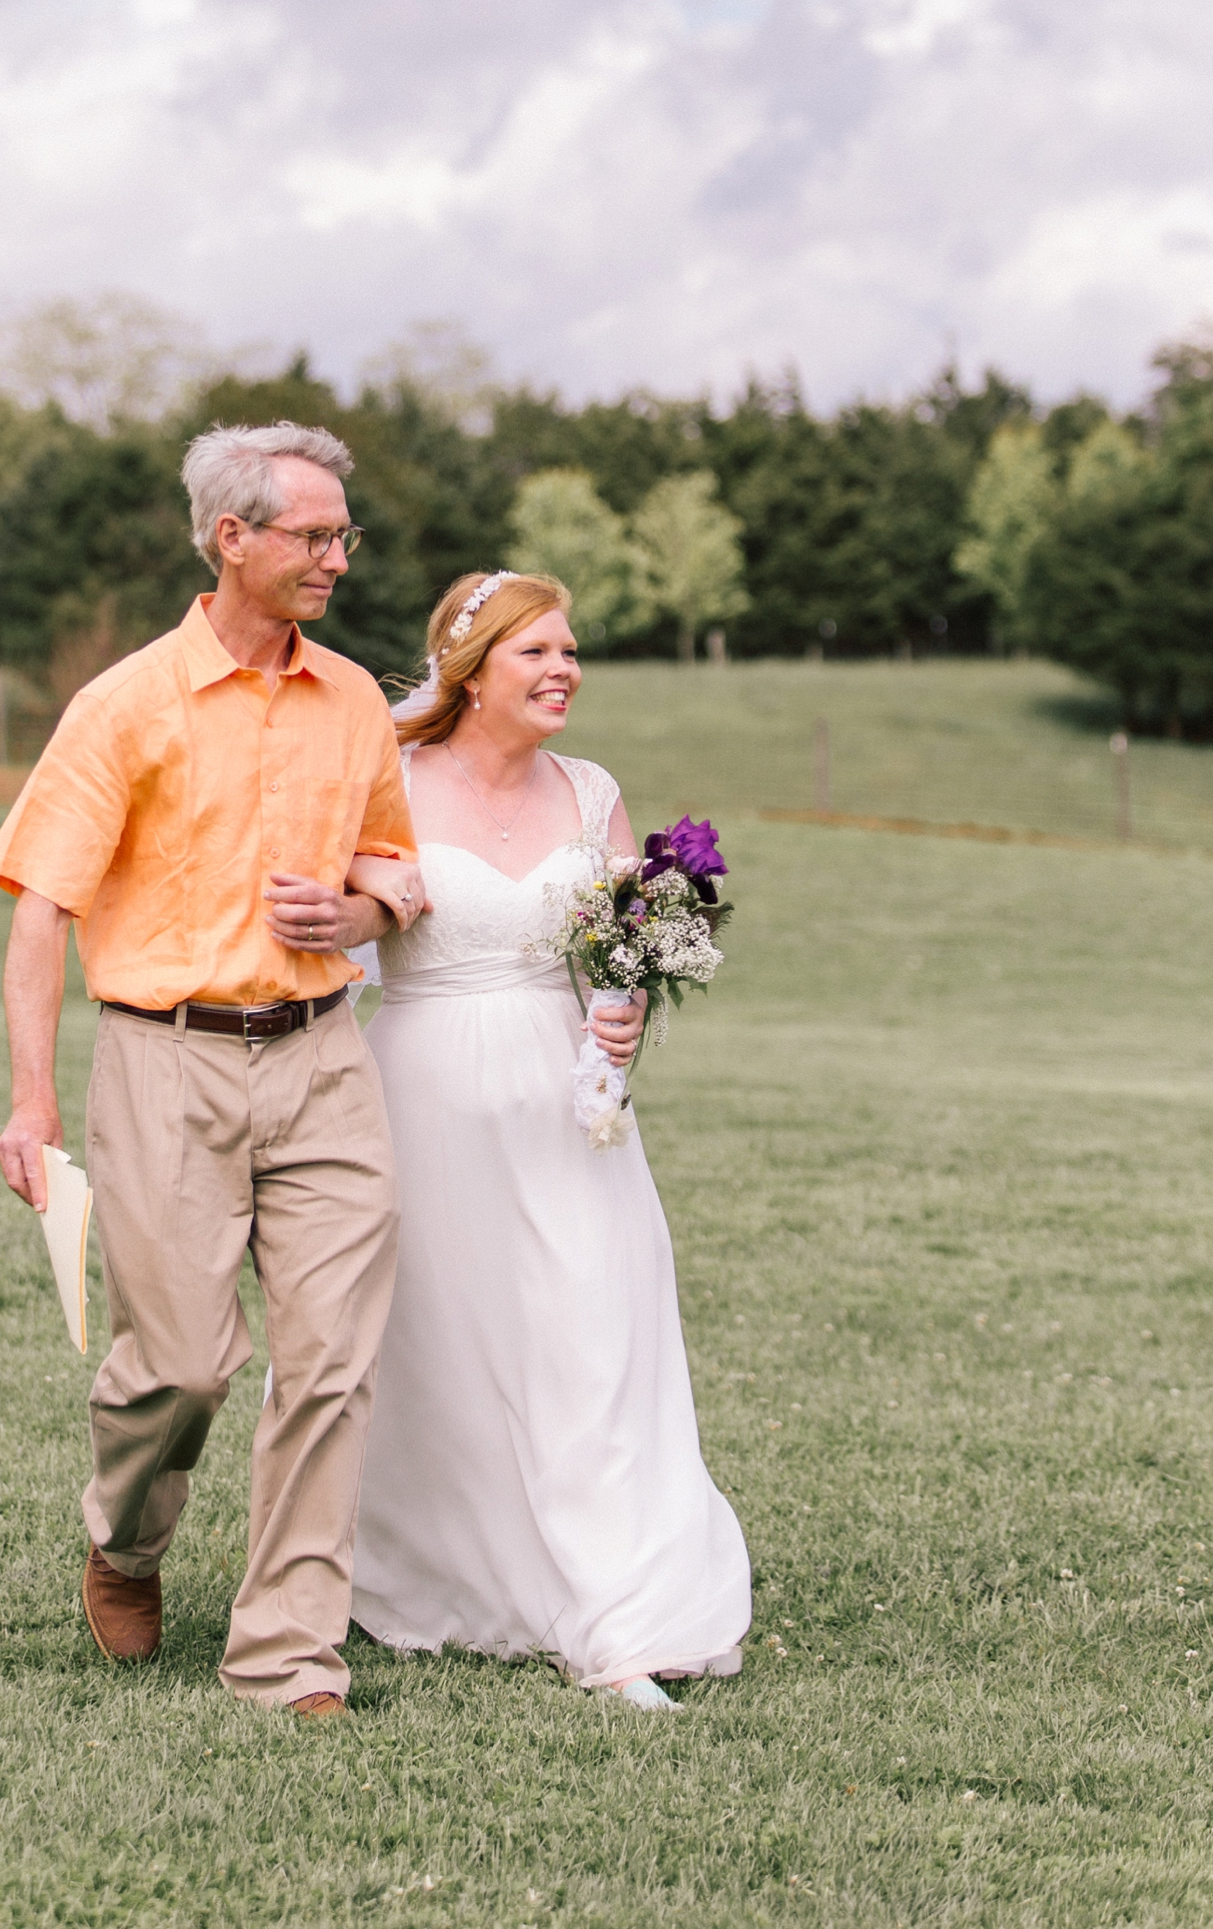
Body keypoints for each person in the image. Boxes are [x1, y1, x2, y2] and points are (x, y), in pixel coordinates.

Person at [0, 422, 423, 1718]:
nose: (337, 557)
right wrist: (31, 1103)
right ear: (231, 537)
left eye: (344, 535)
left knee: (333, 1359)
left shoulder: (353, 700)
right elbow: (36, 913)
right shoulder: (123, 705)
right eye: (314, 535)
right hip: (163, 1064)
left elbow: (395, 860)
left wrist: (369, 913)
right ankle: (125, 1542)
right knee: (179, 1364)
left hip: (324, 1061)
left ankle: (288, 1651)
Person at [351, 570, 751, 1708]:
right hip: (421, 1088)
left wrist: (625, 1001)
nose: (564, 669)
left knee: (589, 1328)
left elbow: (619, 943)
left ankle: (618, 1608)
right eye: (538, 652)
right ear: (470, 670)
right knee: (440, 1338)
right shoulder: (388, 780)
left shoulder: (591, 792)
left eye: (571, 651)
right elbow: (339, 927)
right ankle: (438, 1569)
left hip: (569, 1105)